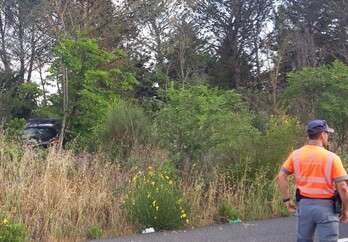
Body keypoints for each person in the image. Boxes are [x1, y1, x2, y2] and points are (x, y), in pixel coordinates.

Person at [277, 119, 348, 242]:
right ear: (322, 135)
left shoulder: (296, 155)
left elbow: (281, 176)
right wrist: (346, 209)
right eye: (327, 134)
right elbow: (342, 186)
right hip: (326, 207)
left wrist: (287, 199)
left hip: (304, 206)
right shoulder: (332, 158)